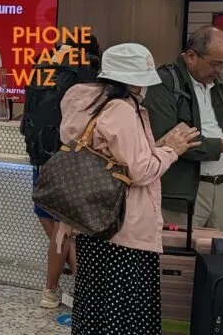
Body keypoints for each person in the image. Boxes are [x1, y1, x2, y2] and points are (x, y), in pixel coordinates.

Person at [57, 43, 199, 334]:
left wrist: (157, 147)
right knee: (124, 317)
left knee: (97, 310)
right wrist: (171, 150)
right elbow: (140, 171)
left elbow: (116, 161)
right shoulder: (121, 110)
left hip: (94, 223)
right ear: (133, 81)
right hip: (125, 230)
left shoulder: (87, 102)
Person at [142, 26, 223, 234]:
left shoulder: (220, 83)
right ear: (191, 56)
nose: (220, 71)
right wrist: (222, 146)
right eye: (215, 64)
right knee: (180, 257)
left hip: (222, 186)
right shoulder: (165, 82)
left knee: (216, 255)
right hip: (182, 191)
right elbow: (168, 139)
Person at [22, 35, 101, 309]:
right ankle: (59, 291)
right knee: (63, 230)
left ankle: (66, 291)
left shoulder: (43, 63)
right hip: (69, 160)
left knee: (55, 227)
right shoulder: (88, 71)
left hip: (40, 156)